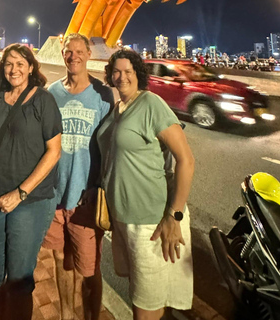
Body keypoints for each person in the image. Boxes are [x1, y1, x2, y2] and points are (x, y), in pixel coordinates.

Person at [97, 49, 195, 320]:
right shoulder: (118, 108)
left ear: (139, 74)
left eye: (128, 71)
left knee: (145, 306)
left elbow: (186, 160)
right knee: (138, 291)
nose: (121, 76)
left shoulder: (151, 104)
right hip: (122, 218)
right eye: (116, 71)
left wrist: (174, 216)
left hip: (149, 223)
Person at [0, 43, 62, 320]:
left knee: (20, 279)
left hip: (30, 202)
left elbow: (54, 151)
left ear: (31, 68)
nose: (14, 69)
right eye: (9, 63)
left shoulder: (43, 100)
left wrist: (20, 193)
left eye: (21, 63)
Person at [41, 33, 114, 320]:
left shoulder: (102, 95)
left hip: (86, 198)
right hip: (54, 195)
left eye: (80, 51)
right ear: (62, 55)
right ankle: (66, 314)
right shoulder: (51, 92)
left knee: (89, 269)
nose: (74, 56)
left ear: (89, 54)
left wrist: (102, 187)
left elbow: (110, 144)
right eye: (68, 51)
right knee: (60, 258)